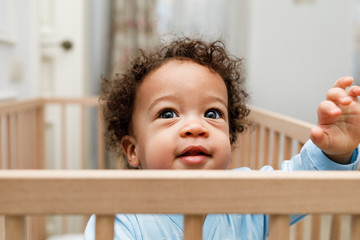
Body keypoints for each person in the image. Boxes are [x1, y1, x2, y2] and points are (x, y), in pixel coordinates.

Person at [84, 37, 360, 239]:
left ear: (228, 135)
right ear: (132, 150)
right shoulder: (119, 216)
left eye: (212, 113)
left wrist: (334, 151)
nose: (195, 126)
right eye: (168, 113)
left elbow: (304, 183)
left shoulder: (247, 197)